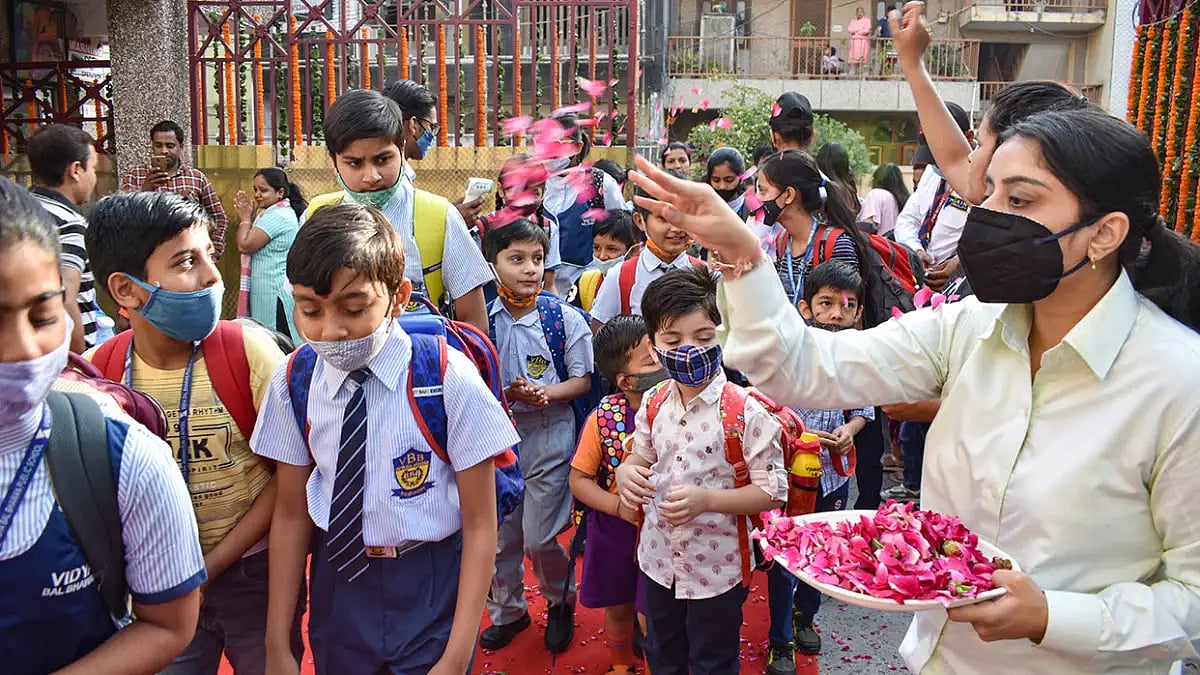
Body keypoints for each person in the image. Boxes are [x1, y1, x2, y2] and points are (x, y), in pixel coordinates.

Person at [627, 107, 1200, 674]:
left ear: (1105, 233)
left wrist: (1056, 616)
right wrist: (743, 253)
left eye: (1020, 201)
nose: (989, 217)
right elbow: (802, 367)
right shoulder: (969, 325)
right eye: (991, 193)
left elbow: (1191, 600)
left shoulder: (1177, 381)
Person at [253, 203, 517, 674]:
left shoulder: (444, 377)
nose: (330, 330)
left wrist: (457, 656)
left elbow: (481, 525)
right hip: (340, 577)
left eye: (354, 308)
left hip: (429, 579)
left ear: (398, 296)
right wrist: (278, 642)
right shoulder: (294, 379)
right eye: (309, 310)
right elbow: (291, 513)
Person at [84, 191, 303, 675]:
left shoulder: (248, 352)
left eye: (210, 253)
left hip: (253, 573)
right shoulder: (103, 373)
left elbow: (289, 482)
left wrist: (211, 566)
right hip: (154, 584)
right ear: (126, 290)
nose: (212, 275)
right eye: (187, 261)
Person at [0, 177, 206, 675]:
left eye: (43, 314)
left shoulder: (122, 455)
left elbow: (168, 624)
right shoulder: (110, 360)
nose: (25, 349)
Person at [614, 266, 787, 674]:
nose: (689, 349)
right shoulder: (654, 402)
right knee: (661, 652)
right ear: (654, 347)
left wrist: (707, 500)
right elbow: (640, 456)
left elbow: (771, 492)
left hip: (718, 568)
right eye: (673, 340)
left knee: (713, 660)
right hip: (658, 561)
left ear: (721, 336)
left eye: (704, 338)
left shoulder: (745, 411)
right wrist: (626, 471)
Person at [481, 219, 594, 654]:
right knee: (499, 535)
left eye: (536, 259)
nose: (529, 269)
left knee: (539, 535)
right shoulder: (481, 318)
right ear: (492, 265)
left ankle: (560, 600)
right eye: (516, 259)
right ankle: (507, 610)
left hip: (551, 431)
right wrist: (505, 394)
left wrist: (545, 393)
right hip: (497, 435)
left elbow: (582, 380)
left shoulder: (562, 319)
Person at [305, 89, 492, 332]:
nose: (371, 176)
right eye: (355, 163)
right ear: (334, 161)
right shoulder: (317, 217)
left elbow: (474, 324)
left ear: (402, 148)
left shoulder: (440, 217)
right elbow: (304, 310)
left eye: (383, 160)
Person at [765, 260, 874, 675]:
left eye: (847, 306)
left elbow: (865, 407)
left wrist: (850, 428)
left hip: (833, 478)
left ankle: (804, 616)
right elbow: (767, 405)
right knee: (784, 558)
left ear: (858, 312)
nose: (835, 314)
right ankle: (780, 639)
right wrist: (793, 433)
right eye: (825, 304)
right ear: (806, 308)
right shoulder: (789, 353)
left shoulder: (861, 357)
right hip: (789, 479)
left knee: (820, 555)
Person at [891, 2, 1093, 208]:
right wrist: (912, 63)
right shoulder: (996, 203)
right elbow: (954, 159)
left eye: (979, 145)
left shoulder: (1013, 224)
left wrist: (913, 63)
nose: (969, 157)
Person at [569, 314, 665, 674]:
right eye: (651, 359)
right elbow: (579, 480)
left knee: (651, 612)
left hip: (664, 532)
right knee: (619, 607)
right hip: (614, 532)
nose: (662, 362)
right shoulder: (603, 419)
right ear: (625, 381)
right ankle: (621, 663)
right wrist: (617, 506)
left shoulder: (678, 411)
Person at [27, 123, 109, 352]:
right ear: (75, 170)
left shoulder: (19, 212)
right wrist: (79, 367)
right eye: (92, 169)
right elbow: (63, 297)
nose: (94, 177)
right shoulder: (68, 224)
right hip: (65, 356)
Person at [588, 184, 702, 328]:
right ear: (640, 221)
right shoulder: (620, 276)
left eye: (683, 217)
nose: (676, 228)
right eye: (663, 218)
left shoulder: (705, 274)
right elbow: (599, 338)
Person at [759, 150, 863, 304]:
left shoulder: (837, 245)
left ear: (788, 195)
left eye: (763, 191)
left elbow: (845, 312)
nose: (757, 198)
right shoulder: (783, 240)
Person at [119, 120, 229, 260]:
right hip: (148, 257)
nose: (164, 150)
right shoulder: (135, 175)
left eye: (170, 146)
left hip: (188, 256)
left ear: (181, 146)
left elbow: (219, 217)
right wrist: (145, 191)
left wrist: (212, 253)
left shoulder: (196, 178)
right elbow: (121, 216)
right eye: (158, 145)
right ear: (152, 146)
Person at [543, 113, 627, 297]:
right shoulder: (534, 186)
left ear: (576, 147)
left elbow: (624, 231)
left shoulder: (600, 183)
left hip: (589, 289)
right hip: (541, 290)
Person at [893, 101, 974, 287]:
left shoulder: (985, 178)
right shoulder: (931, 172)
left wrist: (959, 263)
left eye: (943, 154)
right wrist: (917, 251)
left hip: (962, 285)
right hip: (923, 281)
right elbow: (907, 220)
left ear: (968, 138)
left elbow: (990, 237)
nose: (938, 162)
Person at [383, 79, 484, 224]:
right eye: (431, 127)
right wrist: (451, 220)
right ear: (413, 125)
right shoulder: (392, 177)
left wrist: (449, 211)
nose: (433, 135)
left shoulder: (399, 171)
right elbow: (404, 231)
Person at [232, 168, 304, 344]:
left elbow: (245, 244)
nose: (257, 195)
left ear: (280, 192)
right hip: (268, 291)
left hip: (274, 293)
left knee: (278, 344)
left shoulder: (278, 215)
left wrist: (245, 219)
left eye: (263, 190)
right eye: (255, 189)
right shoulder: (272, 212)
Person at [476, 153, 562, 294]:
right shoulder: (481, 229)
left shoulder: (547, 228)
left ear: (543, 194)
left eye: (534, 193)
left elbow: (549, 284)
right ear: (501, 190)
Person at [571, 209, 642, 313]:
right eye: (597, 248)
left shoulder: (642, 286)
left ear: (633, 251)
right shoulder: (584, 282)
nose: (602, 256)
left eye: (612, 249)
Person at [859, 163, 910, 236]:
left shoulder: (876, 194)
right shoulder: (902, 199)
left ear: (876, 179)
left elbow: (868, 226)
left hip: (878, 245)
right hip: (895, 245)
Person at [703, 147, 749, 219]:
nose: (722, 186)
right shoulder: (701, 209)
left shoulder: (753, 210)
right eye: (716, 180)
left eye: (729, 180)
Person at [847, 7, 873, 72]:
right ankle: (853, 75)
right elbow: (849, 29)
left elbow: (867, 30)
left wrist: (856, 31)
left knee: (863, 59)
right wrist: (858, 30)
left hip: (863, 42)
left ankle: (863, 76)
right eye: (858, 12)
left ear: (863, 13)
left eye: (861, 12)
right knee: (854, 60)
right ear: (856, 13)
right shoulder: (853, 21)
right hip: (854, 42)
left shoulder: (867, 20)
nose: (859, 14)